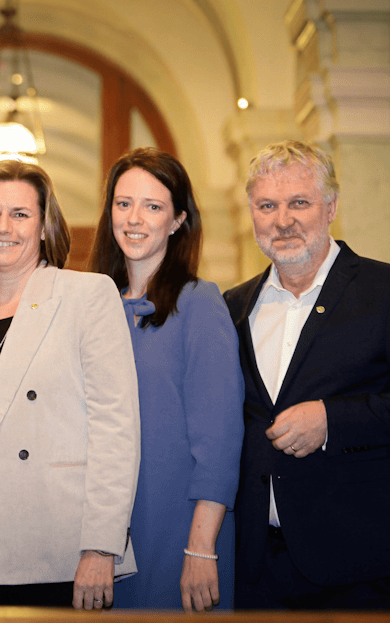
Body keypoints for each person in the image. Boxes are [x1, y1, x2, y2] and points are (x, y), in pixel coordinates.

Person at [224, 140, 390, 610]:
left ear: (331, 207)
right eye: (267, 206)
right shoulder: (233, 306)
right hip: (255, 565)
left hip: (357, 562)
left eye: (299, 202)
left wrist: (332, 421)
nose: (282, 220)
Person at [0, 160, 140, 610]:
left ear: (44, 227)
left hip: (53, 547)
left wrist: (101, 546)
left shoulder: (87, 296)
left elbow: (116, 431)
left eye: (20, 214)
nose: (3, 227)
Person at [90, 147, 244, 612]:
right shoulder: (93, 307)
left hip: (179, 529)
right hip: (101, 533)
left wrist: (201, 548)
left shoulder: (200, 304)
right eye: (123, 203)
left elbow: (219, 442)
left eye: (152, 206)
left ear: (178, 220)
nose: (134, 219)